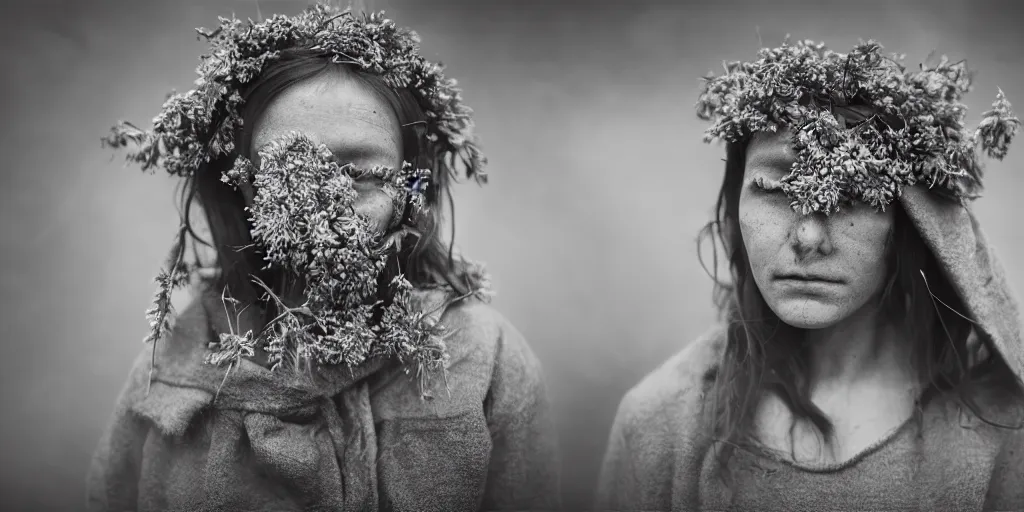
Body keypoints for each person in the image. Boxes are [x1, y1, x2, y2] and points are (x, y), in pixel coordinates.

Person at [87, 5, 560, 511]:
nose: (328, 204)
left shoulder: (482, 360)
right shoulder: (171, 366)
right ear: (241, 188)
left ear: (409, 184)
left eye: (362, 174)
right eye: (289, 172)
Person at [596, 39, 1023, 511]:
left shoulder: (999, 428)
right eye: (774, 189)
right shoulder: (661, 422)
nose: (807, 236)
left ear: (912, 222)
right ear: (735, 204)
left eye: (854, 195)